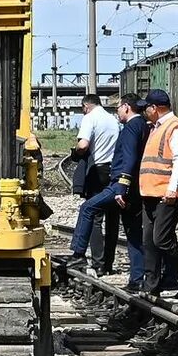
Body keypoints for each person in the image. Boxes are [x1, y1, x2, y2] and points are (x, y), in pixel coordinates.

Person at [134, 87, 178, 297]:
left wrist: (173, 189)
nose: (145, 111)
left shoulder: (175, 128)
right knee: (149, 239)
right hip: (151, 193)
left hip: (169, 195)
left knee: (161, 239)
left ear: (155, 108)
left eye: (147, 108)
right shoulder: (157, 127)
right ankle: (151, 284)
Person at [66, 94, 123, 273]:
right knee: (113, 218)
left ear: (85, 106)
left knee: (95, 216)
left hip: (97, 171)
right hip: (113, 171)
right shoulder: (113, 120)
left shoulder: (90, 118)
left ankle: (97, 263)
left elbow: (83, 145)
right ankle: (108, 263)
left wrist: (76, 152)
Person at [109, 94, 150, 287]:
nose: (117, 111)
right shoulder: (143, 124)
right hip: (140, 185)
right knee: (143, 233)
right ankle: (148, 275)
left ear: (126, 107)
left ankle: (137, 278)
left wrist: (122, 186)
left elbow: (130, 158)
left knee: (133, 234)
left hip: (130, 188)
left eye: (118, 107)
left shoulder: (131, 127)